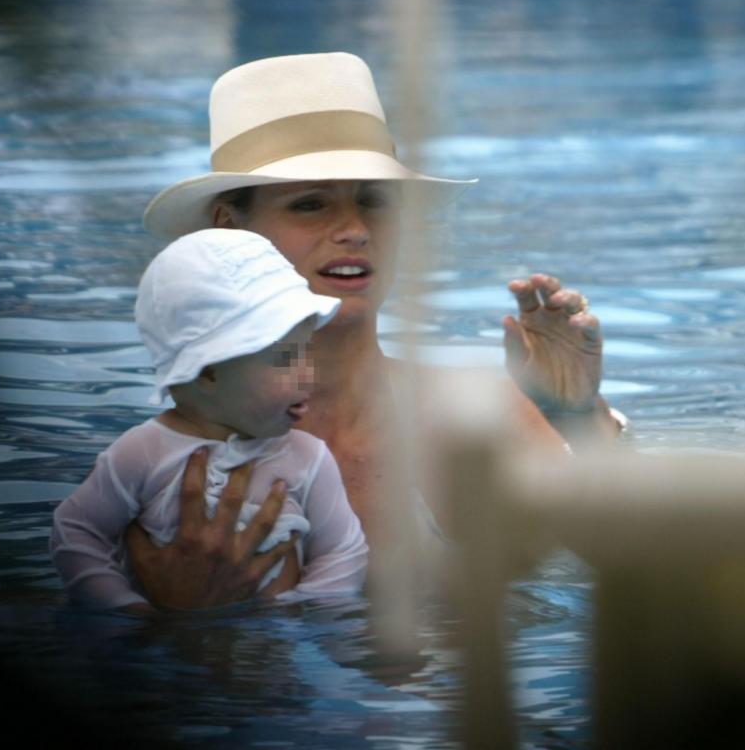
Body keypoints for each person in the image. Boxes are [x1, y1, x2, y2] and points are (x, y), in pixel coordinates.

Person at [129, 52, 622, 608]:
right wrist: (183, 617)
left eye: (374, 200)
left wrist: (576, 415)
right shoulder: (172, 464)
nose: (355, 229)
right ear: (230, 226)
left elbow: (639, 568)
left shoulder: (474, 418)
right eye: (311, 204)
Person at [50, 228, 368, 611]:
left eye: (306, 351)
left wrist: (301, 611)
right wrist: (127, 611)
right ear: (208, 373)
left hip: (281, 642)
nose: (308, 375)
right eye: (286, 358)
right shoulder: (142, 453)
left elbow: (344, 551)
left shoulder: (308, 457)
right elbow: (78, 533)